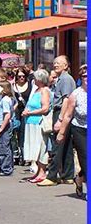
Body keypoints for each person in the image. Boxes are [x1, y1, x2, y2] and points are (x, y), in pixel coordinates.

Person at [38, 56, 76, 186]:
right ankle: (68, 175)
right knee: (66, 146)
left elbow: (66, 100)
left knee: (57, 144)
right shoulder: (62, 79)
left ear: (66, 66)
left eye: (58, 63)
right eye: (54, 63)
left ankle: (52, 176)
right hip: (61, 113)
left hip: (61, 113)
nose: (55, 65)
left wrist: (60, 119)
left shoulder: (65, 79)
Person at [57, 65, 87, 199]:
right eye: (84, 76)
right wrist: (61, 132)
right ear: (81, 78)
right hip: (80, 130)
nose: (87, 78)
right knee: (86, 159)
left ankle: (80, 178)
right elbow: (68, 115)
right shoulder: (76, 94)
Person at [22, 69, 51, 183]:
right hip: (31, 122)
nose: (33, 79)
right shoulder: (36, 90)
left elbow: (45, 108)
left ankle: (42, 172)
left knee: (41, 147)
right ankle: (38, 171)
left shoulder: (44, 91)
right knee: (34, 148)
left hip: (39, 122)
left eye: (35, 78)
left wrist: (29, 113)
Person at [0, 81, 14, 176]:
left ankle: (6, 168)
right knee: (3, 147)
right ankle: (4, 167)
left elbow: (7, 115)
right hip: (1, 125)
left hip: (4, 127)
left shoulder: (6, 100)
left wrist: (1, 128)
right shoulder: (2, 99)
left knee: (4, 148)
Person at [13, 67, 32, 165]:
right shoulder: (13, 86)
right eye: (19, 76)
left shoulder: (30, 85)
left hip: (27, 111)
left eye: (23, 76)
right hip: (16, 111)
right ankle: (19, 155)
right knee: (16, 132)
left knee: (24, 133)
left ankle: (26, 156)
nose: (21, 78)